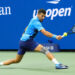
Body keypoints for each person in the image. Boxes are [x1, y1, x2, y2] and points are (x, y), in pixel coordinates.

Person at [0, 9, 68, 69]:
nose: (43, 18)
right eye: (42, 16)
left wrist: (24, 33)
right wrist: (56, 36)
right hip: (27, 41)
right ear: (38, 14)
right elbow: (45, 33)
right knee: (45, 50)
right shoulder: (37, 22)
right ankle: (57, 64)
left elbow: (27, 27)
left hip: (22, 41)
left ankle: (0, 63)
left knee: (17, 60)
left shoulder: (33, 19)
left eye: (44, 16)